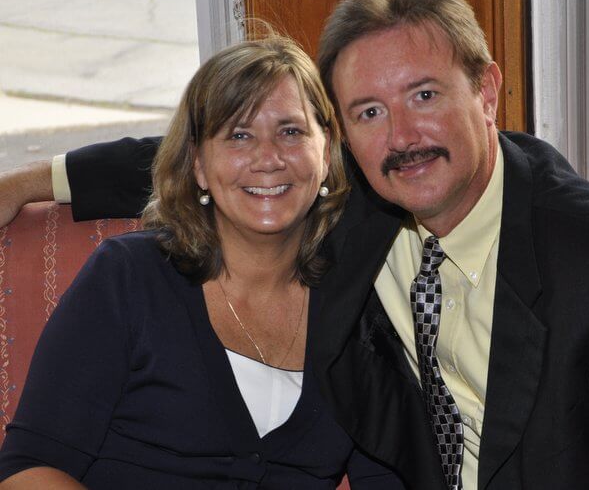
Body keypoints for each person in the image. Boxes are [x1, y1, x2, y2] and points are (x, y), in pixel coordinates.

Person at [2, 0, 589, 489]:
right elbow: (227, 162)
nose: (401, 135)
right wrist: (33, 180)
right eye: (370, 111)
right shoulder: (359, 202)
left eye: (425, 94)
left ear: (489, 91)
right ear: (346, 134)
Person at [0, 35, 405, 488]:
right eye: (238, 135)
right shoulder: (128, 278)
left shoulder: (366, 306)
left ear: (326, 151)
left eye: (291, 131)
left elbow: (388, 475)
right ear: (197, 164)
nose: (268, 158)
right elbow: (29, 469)